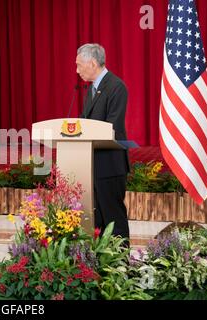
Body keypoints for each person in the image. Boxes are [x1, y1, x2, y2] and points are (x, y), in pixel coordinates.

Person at [76, 43, 130, 241]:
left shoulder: (116, 86)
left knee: (113, 216)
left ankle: (121, 263)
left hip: (110, 163)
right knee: (98, 218)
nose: (77, 70)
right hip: (93, 163)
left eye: (79, 65)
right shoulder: (92, 89)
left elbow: (111, 127)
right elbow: (84, 123)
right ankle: (100, 261)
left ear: (92, 63)